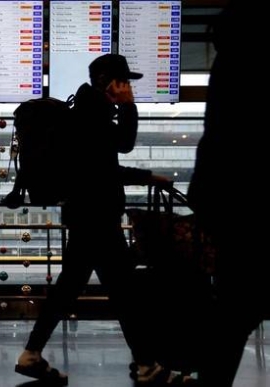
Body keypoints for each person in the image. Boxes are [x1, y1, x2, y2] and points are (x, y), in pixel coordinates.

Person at [14, 54, 171, 385]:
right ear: (106, 81)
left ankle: (31, 354)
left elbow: (101, 168)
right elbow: (120, 151)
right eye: (124, 82)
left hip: (87, 216)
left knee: (72, 289)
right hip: (96, 218)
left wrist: (148, 177)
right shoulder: (92, 115)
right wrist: (129, 109)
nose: (128, 88)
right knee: (125, 293)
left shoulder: (87, 112)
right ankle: (146, 365)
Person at [188, 2, 267, 386]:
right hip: (250, 207)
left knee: (233, 311)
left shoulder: (228, 68)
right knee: (237, 311)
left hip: (231, 207)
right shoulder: (249, 68)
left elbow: (216, 141)